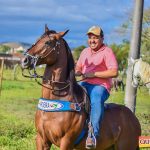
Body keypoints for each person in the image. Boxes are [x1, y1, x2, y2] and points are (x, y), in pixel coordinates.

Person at [75, 26, 118, 149]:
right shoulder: (84, 52)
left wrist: (94, 74)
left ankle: (92, 135)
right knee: (72, 95)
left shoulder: (107, 51)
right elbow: (78, 68)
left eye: (95, 38)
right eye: (90, 38)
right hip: (84, 83)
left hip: (100, 86)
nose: (92, 40)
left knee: (96, 98)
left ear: (102, 38)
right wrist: (76, 71)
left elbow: (114, 72)